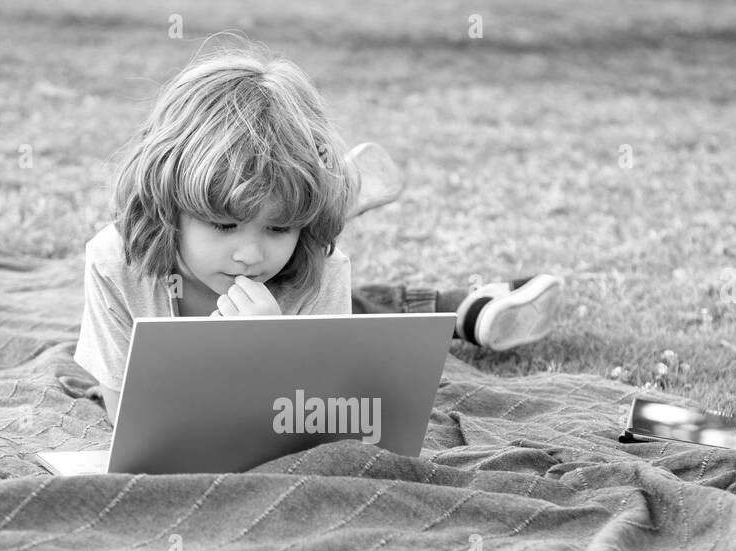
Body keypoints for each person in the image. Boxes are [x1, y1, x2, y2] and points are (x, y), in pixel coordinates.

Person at [74, 42, 562, 425]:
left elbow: (318, 422)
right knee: (322, 281)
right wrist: (233, 359)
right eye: (223, 224)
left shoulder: (318, 263)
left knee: (318, 273)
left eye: (278, 225)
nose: (248, 255)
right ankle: (334, 196)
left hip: (311, 250)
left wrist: (279, 352)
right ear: (166, 202)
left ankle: (324, 198)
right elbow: (129, 421)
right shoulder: (116, 261)